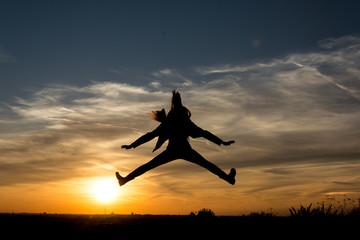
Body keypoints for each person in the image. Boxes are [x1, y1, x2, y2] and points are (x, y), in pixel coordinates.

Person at [116, 90, 236, 186]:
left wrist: (221, 142)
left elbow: (151, 135)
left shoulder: (176, 120)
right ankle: (228, 179)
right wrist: (132, 145)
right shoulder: (179, 120)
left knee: (148, 166)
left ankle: (125, 180)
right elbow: (203, 133)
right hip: (182, 150)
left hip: (176, 150)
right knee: (208, 165)